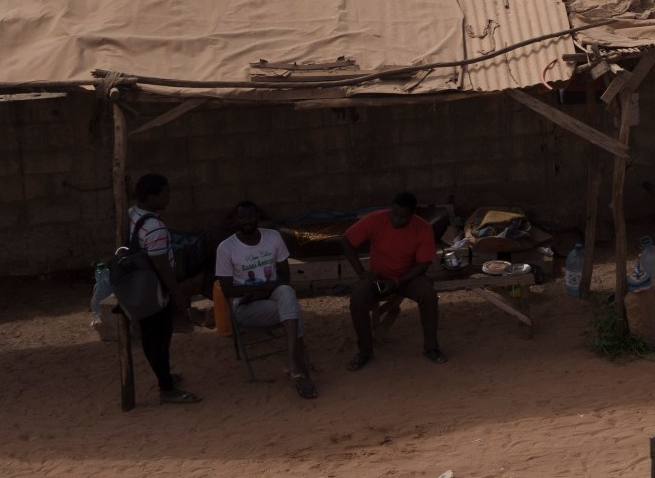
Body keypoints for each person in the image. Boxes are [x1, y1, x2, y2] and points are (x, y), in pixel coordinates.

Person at [216, 201, 317, 399]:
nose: (247, 221)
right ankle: (299, 370)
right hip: (246, 307)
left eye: (251, 216)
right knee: (292, 309)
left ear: (258, 217)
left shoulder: (273, 237)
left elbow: (285, 276)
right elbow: (227, 290)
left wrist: (264, 290)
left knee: (287, 292)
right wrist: (262, 289)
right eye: (242, 217)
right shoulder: (226, 248)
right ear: (235, 220)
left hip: (273, 295)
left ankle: (295, 366)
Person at [342, 192, 442, 369]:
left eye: (402, 217)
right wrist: (361, 273)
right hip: (378, 277)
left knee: (428, 294)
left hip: (408, 278)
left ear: (413, 215)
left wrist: (397, 281)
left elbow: (424, 264)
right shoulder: (376, 219)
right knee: (358, 298)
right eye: (394, 214)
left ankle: (432, 348)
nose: (396, 220)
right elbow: (346, 240)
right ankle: (365, 352)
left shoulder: (423, 228)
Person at [124, 174, 200, 405]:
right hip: (153, 289)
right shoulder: (154, 228)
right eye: (165, 193)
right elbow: (162, 268)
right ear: (153, 197)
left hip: (139, 284)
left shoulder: (131, 214)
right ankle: (166, 389)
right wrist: (178, 295)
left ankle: (164, 376)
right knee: (159, 338)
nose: (170, 197)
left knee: (150, 337)